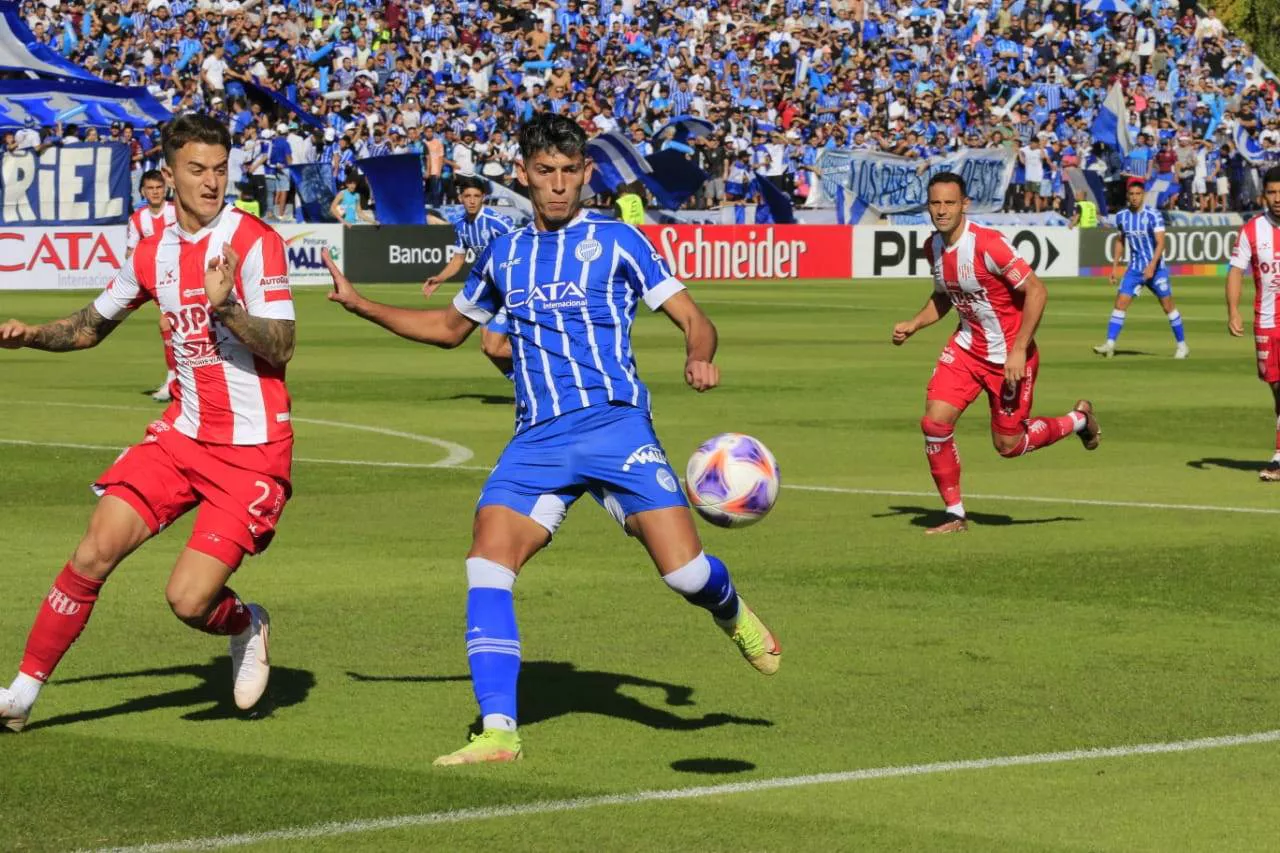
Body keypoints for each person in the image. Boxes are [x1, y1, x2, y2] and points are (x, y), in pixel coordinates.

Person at [323, 112, 780, 765]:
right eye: (546, 173)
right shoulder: (504, 251)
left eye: (571, 173)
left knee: (683, 571)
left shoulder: (619, 239)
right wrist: (361, 302)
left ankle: (732, 611)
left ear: (586, 173)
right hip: (535, 439)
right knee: (486, 562)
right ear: (524, 174)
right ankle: (500, 730)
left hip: (616, 425)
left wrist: (697, 354)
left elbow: (692, 317)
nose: (560, 186)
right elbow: (451, 329)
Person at [0, 114, 297, 731]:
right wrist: (31, 336)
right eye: (197, 169)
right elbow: (88, 327)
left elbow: (282, 346)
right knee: (92, 552)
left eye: (220, 168)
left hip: (251, 450)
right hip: (181, 437)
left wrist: (229, 310)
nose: (211, 182)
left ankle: (246, 623)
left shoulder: (253, 241)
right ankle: (20, 696)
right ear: (169, 174)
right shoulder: (151, 251)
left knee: (188, 601)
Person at [892, 172, 1101, 535]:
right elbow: (944, 296)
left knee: (1009, 444)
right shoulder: (933, 247)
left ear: (964, 205)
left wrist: (1019, 349)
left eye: (949, 203)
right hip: (966, 350)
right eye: (935, 203)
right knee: (934, 424)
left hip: (1009, 358)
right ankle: (955, 514)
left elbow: (1037, 291)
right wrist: (915, 323)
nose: (941, 211)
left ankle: (1079, 420)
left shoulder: (989, 245)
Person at [421, 176, 515, 377]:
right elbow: (458, 259)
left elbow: (522, 247)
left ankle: (544, 366)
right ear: (460, 198)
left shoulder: (497, 223)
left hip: (509, 291)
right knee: (487, 348)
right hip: (490, 294)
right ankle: (521, 385)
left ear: (484, 198)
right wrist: (439, 278)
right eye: (468, 196)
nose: (472, 200)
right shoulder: (461, 225)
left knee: (493, 346)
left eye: (476, 196)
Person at [1092, 180, 1189, 359]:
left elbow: (1161, 243)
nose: (1135, 198)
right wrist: (1114, 267)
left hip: (1156, 269)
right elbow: (1120, 241)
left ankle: (1182, 346)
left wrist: (1152, 266)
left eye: (1138, 194)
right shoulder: (1122, 216)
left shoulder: (1154, 215)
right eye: (1132, 194)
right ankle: (1110, 344)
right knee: (1120, 303)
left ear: (1143, 195)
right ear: (1128, 196)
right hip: (1135, 269)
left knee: (1167, 306)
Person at [1227, 166, 1280, 480]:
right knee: (1276, 388)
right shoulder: (1251, 230)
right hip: (1266, 322)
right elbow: (1235, 270)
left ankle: (1278, 456)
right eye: (1272, 193)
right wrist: (1233, 310)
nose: (1277, 199)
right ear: (1264, 195)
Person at [127, 170, 181, 403]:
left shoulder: (177, 211)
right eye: (150, 188)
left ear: (165, 188)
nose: (155, 192)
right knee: (171, 325)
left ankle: (174, 381)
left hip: (184, 274)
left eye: (159, 187)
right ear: (143, 191)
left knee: (167, 323)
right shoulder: (137, 219)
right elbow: (131, 253)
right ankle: (178, 380)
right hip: (158, 281)